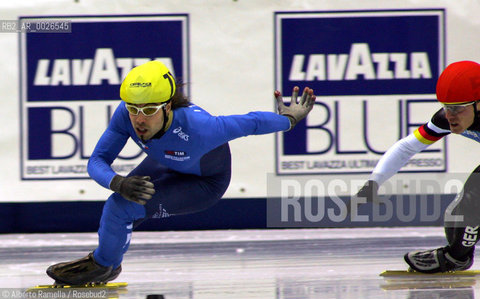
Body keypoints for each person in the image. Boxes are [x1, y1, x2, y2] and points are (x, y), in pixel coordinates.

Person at [46, 60, 316, 285]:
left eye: (149, 110)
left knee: (121, 207)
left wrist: (289, 119)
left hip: (204, 183)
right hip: (166, 162)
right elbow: (97, 160)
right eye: (133, 109)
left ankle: (103, 265)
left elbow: (251, 123)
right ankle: (108, 262)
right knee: (121, 205)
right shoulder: (124, 115)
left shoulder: (201, 128)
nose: (139, 119)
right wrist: (118, 182)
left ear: (167, 107)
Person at [353, 60, 480, 273]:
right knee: (456, 214)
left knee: (473, 197)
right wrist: (374, 182)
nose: (450, 115)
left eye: (457, 108)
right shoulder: (447, 119)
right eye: (446, 106)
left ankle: (455, 257)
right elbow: (407, 147)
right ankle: (458, 255)